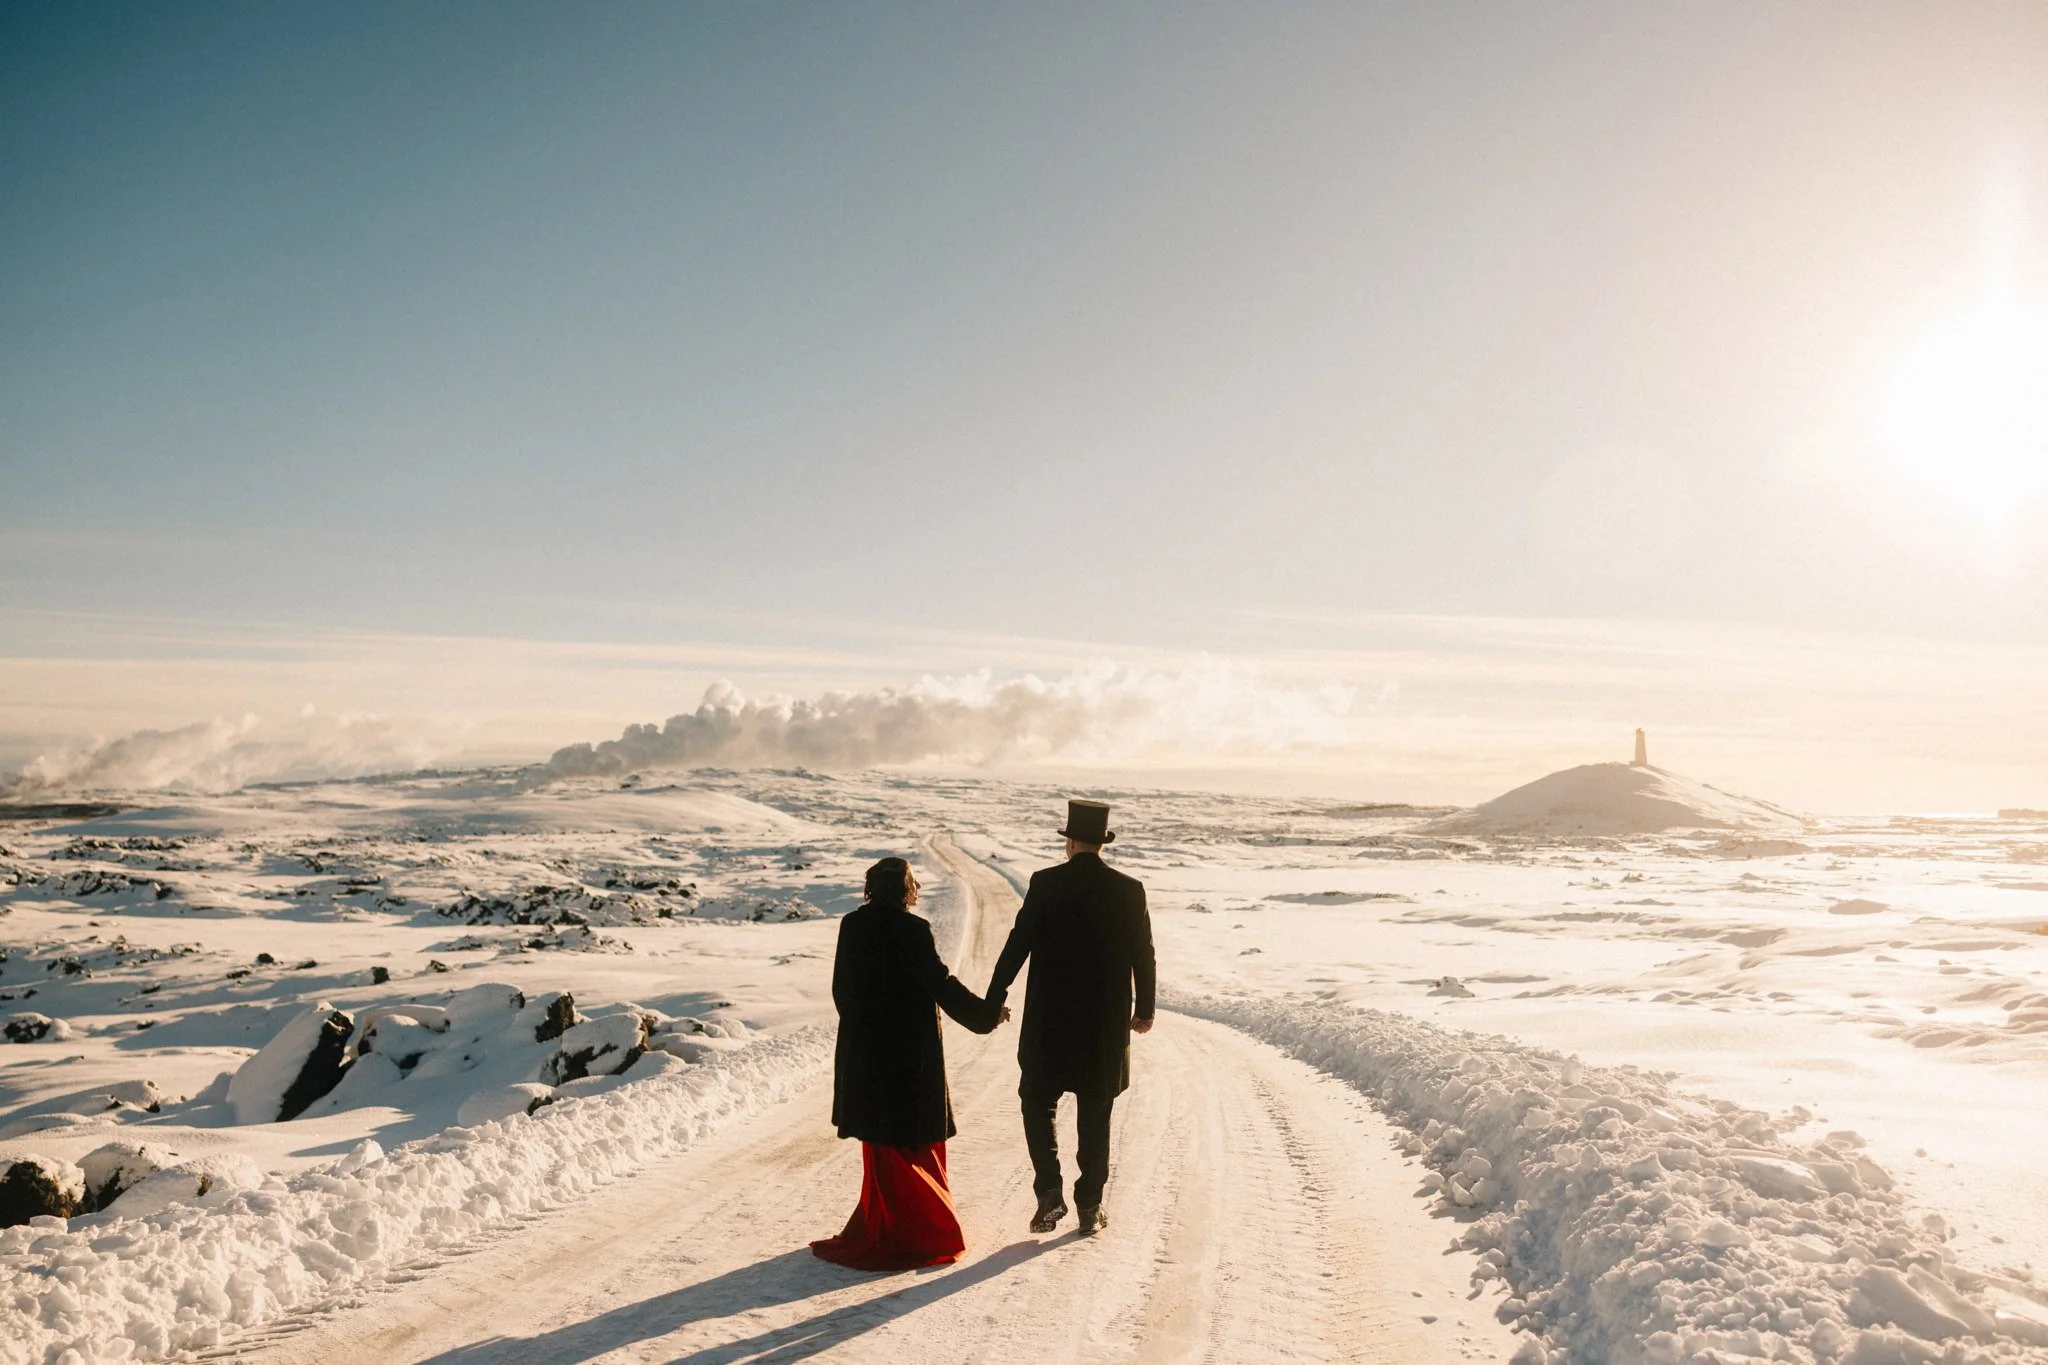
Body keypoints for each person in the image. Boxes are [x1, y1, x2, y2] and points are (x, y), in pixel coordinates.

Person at [811, 856, 1008, 1271]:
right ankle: (923, 1233)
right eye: (913, 882)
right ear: (903, 889)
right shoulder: (913, 930)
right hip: (908, 1056)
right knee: (912, 1143)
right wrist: (987, 1015)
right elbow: (941, 985)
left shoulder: (852, 925)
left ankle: (883, 1225)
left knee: (882, 1147)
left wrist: (864, 1030)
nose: (917, 888)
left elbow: (842, 991)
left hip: (866, 1053)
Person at [985, 799, 1155, 1237]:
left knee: (1036, 1100)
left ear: (1071, 842)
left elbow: (1017, 945)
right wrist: (1145, 1009)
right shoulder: (1129, 890)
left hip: (1049, 1021)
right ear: (1101, 844)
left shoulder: (1045, 884)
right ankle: (1089, 1205)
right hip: (1103, 1026)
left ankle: (1049, 1191)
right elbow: (1144, 955)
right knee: (1096, 1113)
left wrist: (994, 995)